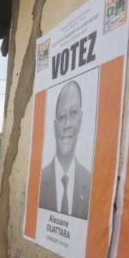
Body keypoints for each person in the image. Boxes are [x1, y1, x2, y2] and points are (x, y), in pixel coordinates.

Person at [38, 80, 91, 219]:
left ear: (80, 119)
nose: (67, 124)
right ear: (55, 127)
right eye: (62, 116)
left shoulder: (91, 182)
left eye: (73, 113)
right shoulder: (39, 180)